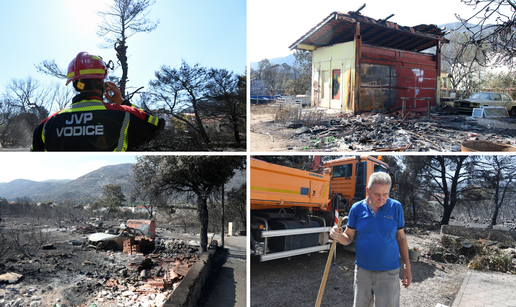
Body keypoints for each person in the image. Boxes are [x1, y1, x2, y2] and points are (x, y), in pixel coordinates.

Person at [32, 51, 165, 151]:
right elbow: (157, 124)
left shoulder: (46, 125)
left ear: (74, 83)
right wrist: (122, 102)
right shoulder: (124, 114)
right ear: (102, 82)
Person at [330, 172, 412, 307]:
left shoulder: (396, 207)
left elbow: (401, 238)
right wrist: (338, 236)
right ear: (368, 191)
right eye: (377, 194)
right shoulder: (356, 209)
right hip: (363, 272)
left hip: (389, 273)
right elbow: (348, 238)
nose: (382, 199)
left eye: (385, 194)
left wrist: (407, 267)